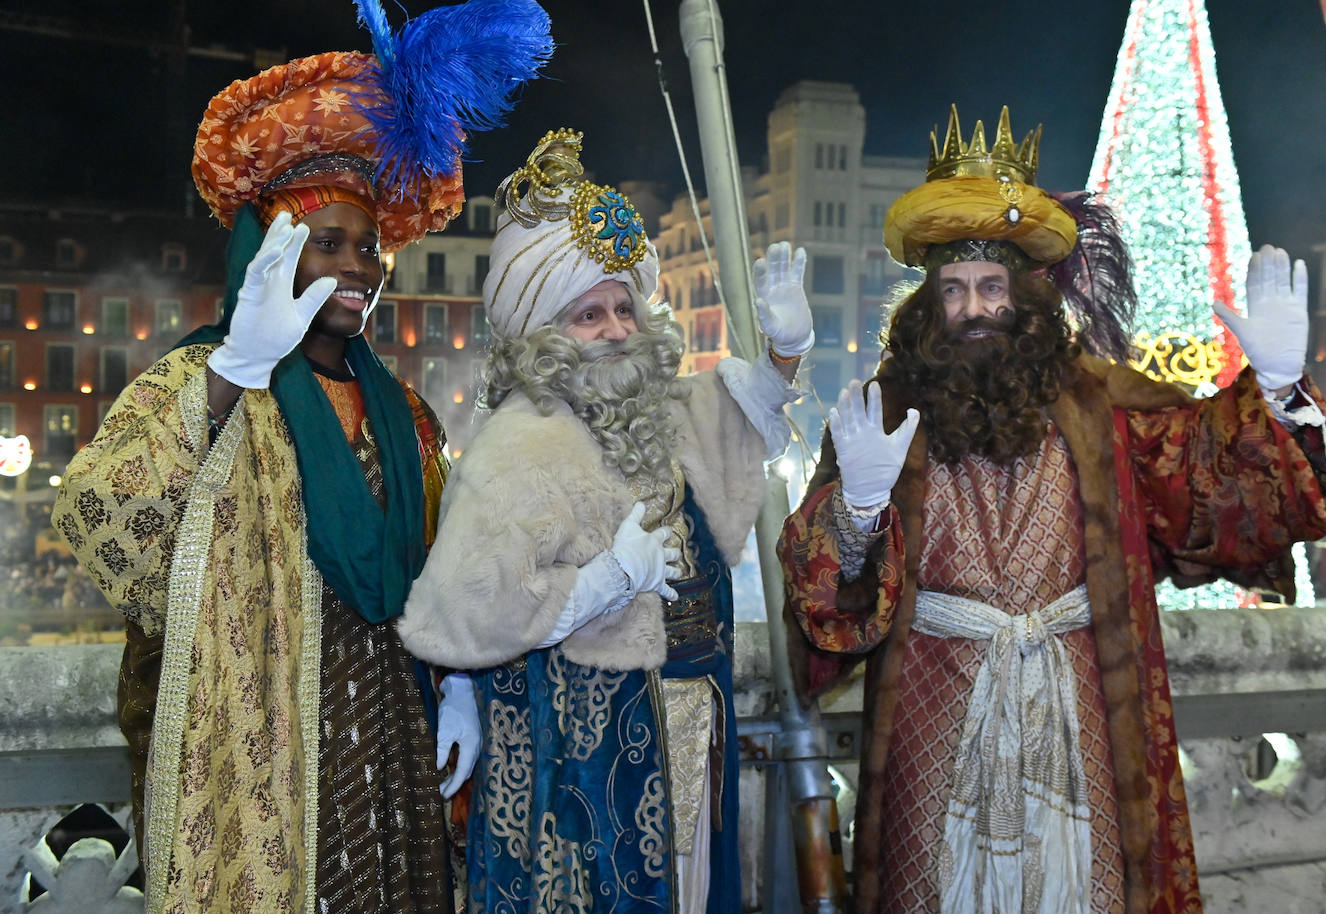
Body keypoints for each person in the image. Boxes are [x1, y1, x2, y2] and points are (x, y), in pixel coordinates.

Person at [778, 106, 1326, 914]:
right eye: (953, 290)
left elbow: (1208, 483)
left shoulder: (1100, 406)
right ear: (928, 303)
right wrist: (855, 507)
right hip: (931, 717)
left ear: (1023, 296)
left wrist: (1273, 392)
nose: (975, 308)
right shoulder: (882, 415)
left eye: (992, 287)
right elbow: (825, 607)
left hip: (1080, 710)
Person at [50, 2, 551, 911]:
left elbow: (449, 571)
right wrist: (238, 370)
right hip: (263, 759)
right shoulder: (206, 378)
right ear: (271, 252)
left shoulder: (407, 415)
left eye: (370, 247)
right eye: (330, 243)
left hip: (393, 750)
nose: (361, 266)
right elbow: (102, 521)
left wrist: (460, 687)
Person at [397, 128, 812, 914]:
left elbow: (731, 421)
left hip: (691, 729)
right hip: (580, 762)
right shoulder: (514, 446)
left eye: (625, 306)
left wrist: (784, 354)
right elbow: (470, 605)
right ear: (543, 334)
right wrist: (608, 578)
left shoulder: (654, 410)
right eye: (590, 314)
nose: (619, 328)